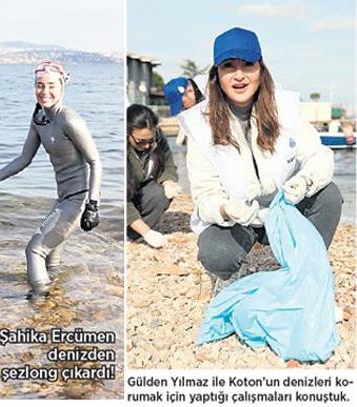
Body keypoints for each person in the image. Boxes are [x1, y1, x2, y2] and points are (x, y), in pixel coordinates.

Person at [181, 27, 342, 292]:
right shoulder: (199, 125)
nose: (239, 75)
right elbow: (204, 196)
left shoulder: (286, 109)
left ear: (261, 70)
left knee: (330, 195)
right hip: (239, 218)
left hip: (284, 209)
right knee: (216, 254)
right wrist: (225, 210)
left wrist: (304, 181)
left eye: (248, 65)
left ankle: (303, 269)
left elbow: (320, 156)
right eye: (229, 66)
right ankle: (232, 276)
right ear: (216, 75)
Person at [0, 61, 102, 297]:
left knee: (34, 250)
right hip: (62, 199)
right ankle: (56, 306)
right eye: (39, 86)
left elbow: (95, 162)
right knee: (51, 261)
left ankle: (40, 306)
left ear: (63, 86)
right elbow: (24, 158)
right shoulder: (39, 119)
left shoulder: (70, 121)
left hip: (78, 199)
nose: (45, 92)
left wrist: (92, 205)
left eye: (51, 85)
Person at [126, 104, 180, 248]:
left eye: (150, 141)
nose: (146, 146)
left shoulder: (158, 137)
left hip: (143, 191)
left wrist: (168, 181)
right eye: (140, 142)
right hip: (127, 196)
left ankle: (134, 232)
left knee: (161, 194)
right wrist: (147, 233)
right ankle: (136, 229)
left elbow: (168, 164)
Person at [165, 76, 206, 145]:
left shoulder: (207, 114)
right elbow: (179, 141)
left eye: (182, 104)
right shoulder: (188, 116)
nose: (182, 108)